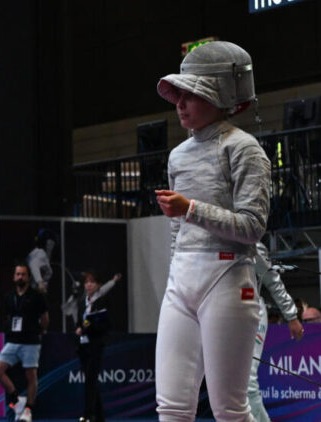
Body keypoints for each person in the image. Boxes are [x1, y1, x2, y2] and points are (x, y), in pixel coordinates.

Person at [154, 41, 271, 422]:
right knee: (171, 408)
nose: (181, 104)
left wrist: (191, 209)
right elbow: (177, 233)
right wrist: (175, 272)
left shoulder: (244, 148)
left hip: (228, 277)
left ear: (221, 97)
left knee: (230, 410)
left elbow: (252, 226)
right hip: (181, 283)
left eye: (192, 95)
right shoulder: (177, 156)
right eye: (179, 95)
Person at [248, 242, 303, 422]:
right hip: (220, 316)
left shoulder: (250, 241)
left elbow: (273, 280)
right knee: (226, 385)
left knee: (247, 382)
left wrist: (291, 315)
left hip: (252, 312)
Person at [0, 263, 49, 422]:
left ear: (28, 277)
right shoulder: (9, 296)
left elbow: (45, 319)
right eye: (18, 274)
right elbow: (8, 317)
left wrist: (38, 331)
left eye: (23, 274)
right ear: (14, 277)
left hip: (31, 342)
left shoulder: (37, 296)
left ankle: (28, 410)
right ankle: (16, 400)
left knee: (31, 376)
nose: (20, 277)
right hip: (13, 341)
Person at [75, 271, 122, 422]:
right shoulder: (82, 302)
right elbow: (80, 321)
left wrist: (89, 326)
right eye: (86, 282)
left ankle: (88, 415)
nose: (89, 285)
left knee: (90, 380)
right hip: (83, 346)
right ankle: (99, 417)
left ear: (98, 285)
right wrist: (79, 328)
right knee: (91, 382)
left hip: (96, 345)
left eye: (92, 282)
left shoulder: (102, 301)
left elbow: (106, 324)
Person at [27, 229, 56, 294]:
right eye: (50, 243)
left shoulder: (38, 254)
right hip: (33, 291)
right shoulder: (40, 253)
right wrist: (40, 283)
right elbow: (33, 264)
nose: (51, 246)